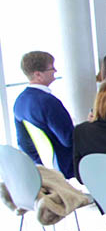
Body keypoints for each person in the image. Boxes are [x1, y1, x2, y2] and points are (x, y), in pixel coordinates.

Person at [13, 51, 75, 179]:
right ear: (38, 74)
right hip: (67, 165)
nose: (55, 71)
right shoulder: (48, 102)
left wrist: (42, 166)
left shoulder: (19, 102)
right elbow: (69, 139)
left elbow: (23, 143)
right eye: (52, 68)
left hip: (47, 167)